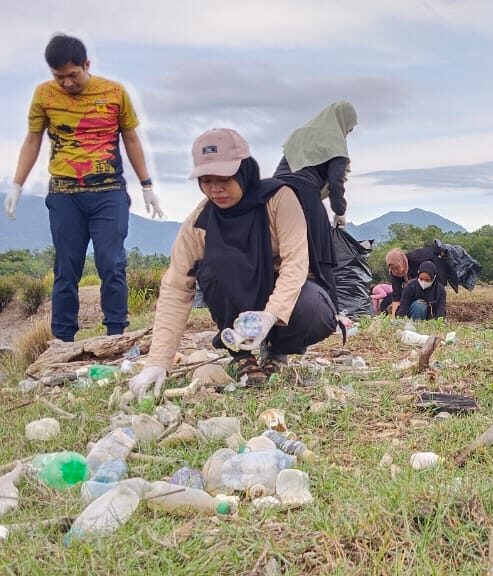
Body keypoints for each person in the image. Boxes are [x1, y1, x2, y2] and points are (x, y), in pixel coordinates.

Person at [128, 128, 337, 400]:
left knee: (315, 311)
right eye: (206, 180)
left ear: (243, 170)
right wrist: (157, 362)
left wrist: (271, 314)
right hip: (238, 300)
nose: (216, 189)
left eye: (224, 178)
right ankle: (241, 355)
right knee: (212, 268)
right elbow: (176, 289)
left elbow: (295, 264)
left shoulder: (279, 200)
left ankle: (278, 351)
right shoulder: (199, 224)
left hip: (283, 297)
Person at [4, 34, 163, 341]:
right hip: (65, 194)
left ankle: (115, 335)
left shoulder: (114, 93)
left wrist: (146, 185)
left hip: (108, 192)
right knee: (66, 268)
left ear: (86, 64)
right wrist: (17, 184)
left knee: (111, 262)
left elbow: (131, 138)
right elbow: (33, 139)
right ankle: (63, 341)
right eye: (59, 77)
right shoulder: (44, 95)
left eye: (72, 75)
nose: (66, 84)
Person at [273, 101, 358, 312]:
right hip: (303, 193)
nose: (347, 132)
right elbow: (336, 182)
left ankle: (276, 308)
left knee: (279, 252)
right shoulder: (334, 141)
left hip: (274, 192)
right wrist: (339, 211)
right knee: (322, 253)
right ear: (342, 122)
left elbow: (285, 166)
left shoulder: (302, 133)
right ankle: (332, 315)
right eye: (349, 128)